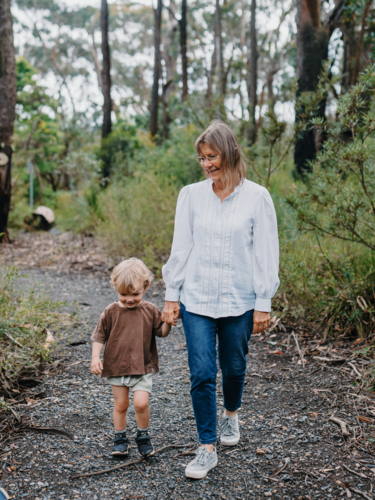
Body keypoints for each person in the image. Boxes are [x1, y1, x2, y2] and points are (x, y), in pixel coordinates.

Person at [162, 121, 280, 479]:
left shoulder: (257, 197)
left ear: (229, 153)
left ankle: (231, 414)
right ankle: (206, 447)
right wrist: (171, 296)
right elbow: (181, 247)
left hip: (239, 301)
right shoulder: (191, 195)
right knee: (200, 373)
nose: (206, 164)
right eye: (201, 158)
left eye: (211, 156)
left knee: (234, 367)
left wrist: (264, 301)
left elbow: (266, 252)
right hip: (196, 299)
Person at [91, 258, 171, 457]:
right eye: (123, 294)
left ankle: (143, 436)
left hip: (142, 367)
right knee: (121, 404)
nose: (129, 299)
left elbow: (161, 332)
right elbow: (99, 336)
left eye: (135, 294)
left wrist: (168, 323)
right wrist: (95, 357)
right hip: (116, 366)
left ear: (145, 287)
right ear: (116, 288)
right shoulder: (110, 311)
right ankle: (120, 439)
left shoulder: (150, 310)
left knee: (141, 403)